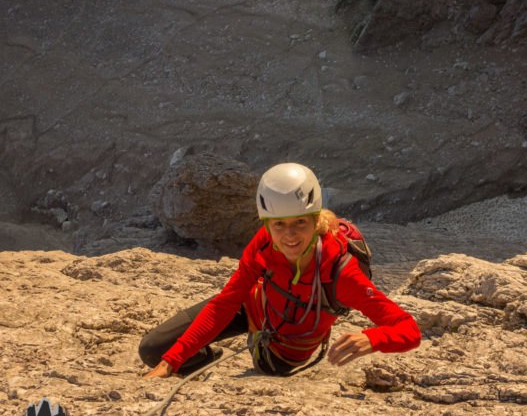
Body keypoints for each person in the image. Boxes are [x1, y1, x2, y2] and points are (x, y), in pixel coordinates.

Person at [140, 162, 421, 378]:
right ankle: (207, 357)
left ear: (316, 219)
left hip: (287, 343)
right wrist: (171, 362)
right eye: (279, 225)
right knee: (153, 350)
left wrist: (373, 338)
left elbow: (409, 329)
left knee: (270, 367)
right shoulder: (263, 243)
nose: (290, 236)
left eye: (300, 223)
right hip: (257, 305)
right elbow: (225, 303)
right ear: (267, 224)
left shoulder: (340, 274)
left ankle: (254, 339)